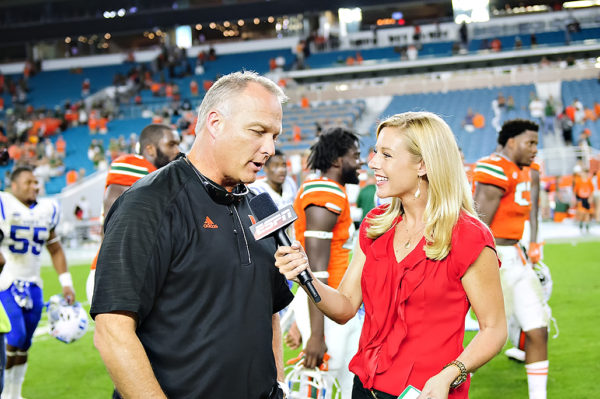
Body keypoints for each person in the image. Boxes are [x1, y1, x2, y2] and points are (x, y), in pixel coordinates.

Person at [91, 71, 294, 399]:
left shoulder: (259, 204)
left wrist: (279, 385)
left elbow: (268, 309)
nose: (270, 148)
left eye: (275, 135)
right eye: (258, 131)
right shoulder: (149, 203)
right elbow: (113, 330)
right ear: (215, 123)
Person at [276, 112, 507, 398]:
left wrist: (450, 374)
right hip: (363, 388)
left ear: (422, 164)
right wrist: (305, 275)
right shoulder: (374, 226)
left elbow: (494, 329)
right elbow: (346, 307)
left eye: (386, 154)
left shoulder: (470, 236)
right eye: (376, 152)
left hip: (428, 392)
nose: (372, 162)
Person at [473, 119, 550, 399]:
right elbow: (477, 225)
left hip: (517, 256)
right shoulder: (494, 167)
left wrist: (533, 245)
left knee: (537, 328)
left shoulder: (527, 170)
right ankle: (445, 380)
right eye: (530, 143)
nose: (534, 149)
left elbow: (532, 211)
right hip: (494, 258)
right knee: (491, 336)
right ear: (512, 141)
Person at [289, 127, 363, 398]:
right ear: (336, 161)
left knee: (350, 382)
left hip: (336, 303)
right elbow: (315, 270)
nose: (360, 162)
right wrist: (316, 334)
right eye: (355, 156)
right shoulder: (324, 191)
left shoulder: (335, 191)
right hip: (325, 303)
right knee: (318, 383)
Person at [0, 166, 75, 399]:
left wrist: (66, 282)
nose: (35, 186)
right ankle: (3, 391)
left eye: (36, 182)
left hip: (33, 284)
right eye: (28, 182)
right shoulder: (3, 204)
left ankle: (14, 393)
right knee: (16, 335)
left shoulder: (47, 209)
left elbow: (55, 248)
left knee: (25, 343)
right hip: (6, 281)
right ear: (14, 185)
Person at [85, 123, 181, 303]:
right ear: (150, 149)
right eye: (171, 144)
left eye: (178, 144)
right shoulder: (134, 166)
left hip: (141, 273)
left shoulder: (159, 177)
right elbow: (114, 203)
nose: (177, 150)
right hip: (118, 273)